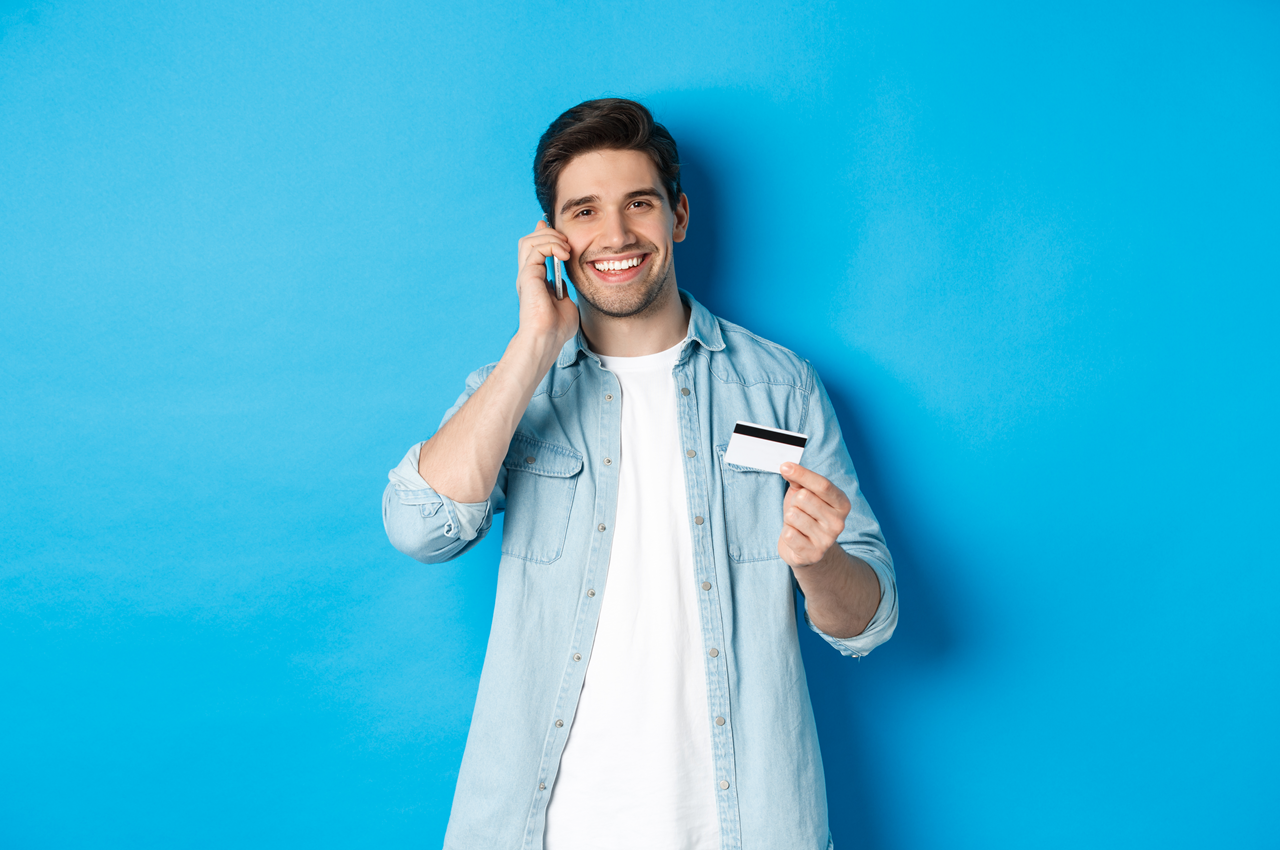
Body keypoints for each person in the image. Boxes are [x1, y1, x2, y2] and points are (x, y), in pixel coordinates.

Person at [383, 98, 897, 850]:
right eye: (584, 212)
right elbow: (418, 527)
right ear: (552, 239)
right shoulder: (518, 387)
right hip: (544, 829)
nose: (616, 235)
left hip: (743, 824)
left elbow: (870, 622)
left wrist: (821, 565)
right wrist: (533, 345)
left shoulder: (781, 389)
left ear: (679, 216)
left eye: (639, 204)